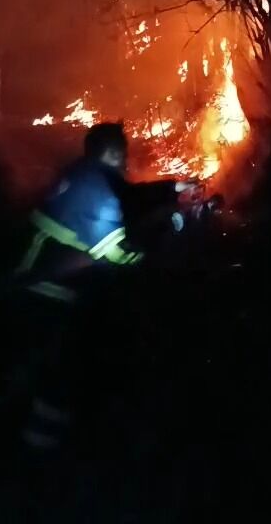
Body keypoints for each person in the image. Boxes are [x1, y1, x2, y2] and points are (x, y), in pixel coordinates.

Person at [14, 121, 195, 452]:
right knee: (63, 368)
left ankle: (38, 429)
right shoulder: (100, 195)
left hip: (33, 276)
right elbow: (119, 254)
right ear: (112, 153)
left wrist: (173, 189)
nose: (127, 164)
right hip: (50, 290)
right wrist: (172, 228)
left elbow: (129, 195)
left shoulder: (84, 173)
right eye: (123, 156)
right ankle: (41, 452)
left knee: (44, 363)